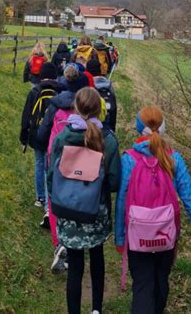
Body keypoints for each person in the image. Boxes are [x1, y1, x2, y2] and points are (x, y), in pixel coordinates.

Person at [115, 105, 191, 314]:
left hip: (137, 236)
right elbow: (190, 199)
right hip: (166, 235)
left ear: (138, 129)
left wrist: (120, 239)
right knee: (161, 281)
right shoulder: (174, 159)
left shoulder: (129, 159)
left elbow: (122, 201)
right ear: (163, 128)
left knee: (142, 284)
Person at [47, 87, 121, 314]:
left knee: (75, 265)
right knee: (97, 257)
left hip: (68, 210)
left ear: (76, 108)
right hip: (95, 212)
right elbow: (115, 182)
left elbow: (51, 177)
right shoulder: (107, 140)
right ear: (100, 110)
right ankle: (96, 309)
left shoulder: (62, 137)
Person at [38, 65, 90, 242]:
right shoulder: (85, 106)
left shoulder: (56, 105)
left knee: (53, 189)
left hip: (56, 155)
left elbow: (43, 131)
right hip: (80, 159)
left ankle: (57, 235)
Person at [19, 62, 63, 216]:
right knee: (50, 167)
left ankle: (40, 197)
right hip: (54, 136)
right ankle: (51, 200)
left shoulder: (34, 92)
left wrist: (24, 138)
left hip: (37, 135)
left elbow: (26, 117)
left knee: (39, 163)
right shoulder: (60, 93)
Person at [87, 58, 117, 132]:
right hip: (107, 128)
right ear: (100, 70)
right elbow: (114, 109)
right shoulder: (109, 85)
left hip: (91, 129)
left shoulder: (88, 86)